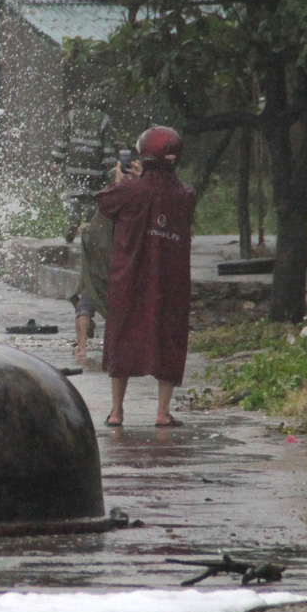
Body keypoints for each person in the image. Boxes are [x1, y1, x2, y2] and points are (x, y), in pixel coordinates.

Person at [97, 125, 196, 428]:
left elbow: (104, 202)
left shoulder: (128, 190)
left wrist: (127, 179)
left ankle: (116, 411)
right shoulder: (185, 195)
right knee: (169, 338)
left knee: (122, 337)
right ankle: (162, 413)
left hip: (129, 280)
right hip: (170, 283)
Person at [70, 166, 116, 364]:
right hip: (116, 269)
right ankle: (109, 348)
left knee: (85, 307)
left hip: (100, 271)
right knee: (98, 309)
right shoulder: (126, 201)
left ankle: (81, 348)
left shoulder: (106, 202)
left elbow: (98, 236)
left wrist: (86, 231)